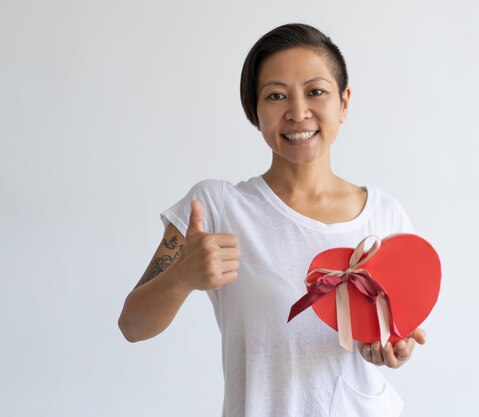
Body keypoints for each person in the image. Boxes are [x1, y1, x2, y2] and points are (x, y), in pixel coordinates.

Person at [118, 23, 426, 417]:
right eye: (276, 96)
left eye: (316, 91)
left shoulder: (385, 217)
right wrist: (182, 276)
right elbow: (132, 325)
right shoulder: (216, 206)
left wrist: (395, 351)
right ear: (255, 111)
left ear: (344, 102)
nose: (298, 112)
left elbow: (397, 338)